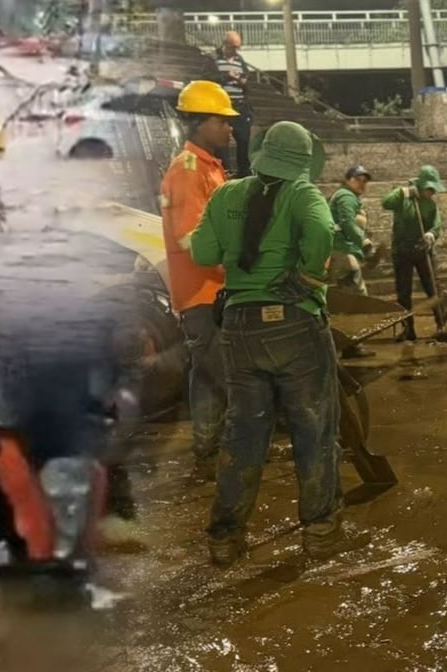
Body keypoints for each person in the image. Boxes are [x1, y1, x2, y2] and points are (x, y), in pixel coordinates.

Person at [190, 121, 365, 566]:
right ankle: (320, 535)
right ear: (304, 161)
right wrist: (307, 276)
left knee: (244, 432)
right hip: (295, 326)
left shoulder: (226, 194)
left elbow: (204, 254)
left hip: (240, 326)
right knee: (314, 430)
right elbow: (324, 233)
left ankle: (225, 539)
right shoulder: (303, 195)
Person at [160, 80, 238, 481]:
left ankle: (208, 454)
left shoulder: (209, 168)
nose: (230, 128)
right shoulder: (190, 172)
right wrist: (241, 271)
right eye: (222, 121)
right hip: (204, 293)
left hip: (207, 291)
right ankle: (239, 457)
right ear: (200, 122)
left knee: (208, 378)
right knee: (229, 378)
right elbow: (196, 242)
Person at [381, 165, 447, 342]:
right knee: (404, 292)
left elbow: (436, 225)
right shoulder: (403, 198)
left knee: (433, 288)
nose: (432, 192)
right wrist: (402, 192)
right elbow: (385, 203)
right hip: (402, 250)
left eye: (433, 189)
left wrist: (430, 235)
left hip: (423, 250)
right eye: (429, 189)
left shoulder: (430, 205)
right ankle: (408, 330)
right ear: (421, 186)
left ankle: (442, 325)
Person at [329, 165, 374, 296]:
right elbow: (347, 222)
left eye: (365, 181)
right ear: (348, 180)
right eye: (358, 179)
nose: (362, 183)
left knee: (348, 293)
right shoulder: (346, 196)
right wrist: (364, 242)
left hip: (343, 250)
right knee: (358, 294)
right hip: (342, 250)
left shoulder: (349, 196)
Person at [212, 30, 253, 178]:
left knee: (243, 139)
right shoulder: (214, 59)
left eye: (237, 47)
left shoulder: (239, 60)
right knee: (221, 141)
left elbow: (247, 81)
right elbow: (207, 78)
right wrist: (227, 76)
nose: (236, 50)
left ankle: (244, 172)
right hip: (221, 107)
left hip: (239, 105)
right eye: (233, 47)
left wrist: (241, 81)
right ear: (225, 44)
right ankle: (224, 171)